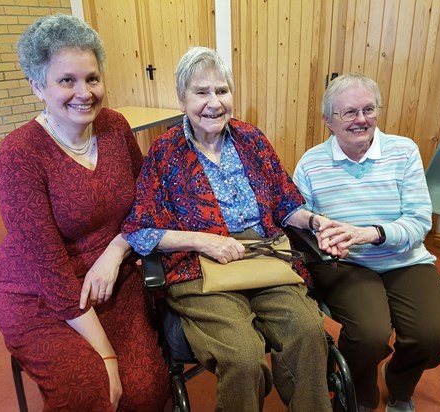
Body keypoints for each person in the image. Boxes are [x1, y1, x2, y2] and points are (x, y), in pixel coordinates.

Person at [121, 46, 332, 412]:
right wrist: (205, 241)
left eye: (221, 90)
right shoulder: (164, 152)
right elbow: (139, 230)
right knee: (244, 355)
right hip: (199, 265)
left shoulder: (251, 139)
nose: (213, 102)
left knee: (308, 332)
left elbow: (285, 201)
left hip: (263, 255)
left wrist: (314, 220)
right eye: (201, 92)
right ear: (181, 98)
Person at [0, 14, 170, 411]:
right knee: (91, 390)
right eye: (66, 80)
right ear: (37, 86)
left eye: (92, 78)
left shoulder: (115, 127)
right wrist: (106, 355)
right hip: (40, 295)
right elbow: (49, 270)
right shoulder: (19, 154)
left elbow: (144, 207)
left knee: (145, 390)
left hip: (112, 280)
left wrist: (117, 249)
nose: (84, 92)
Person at [293, 72, 440, 412]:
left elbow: (418, 220)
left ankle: (398, 381)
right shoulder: (311, 163)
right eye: (349, 112)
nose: (361, 119)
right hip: (346, 263)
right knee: (368, 334)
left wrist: (370, 233)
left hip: (404, 258)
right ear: (328, 121)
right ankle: (360, 394)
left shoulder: (403, 151)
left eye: (369, 109)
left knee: (433, 337)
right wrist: (322, 237)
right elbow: (298, 219)